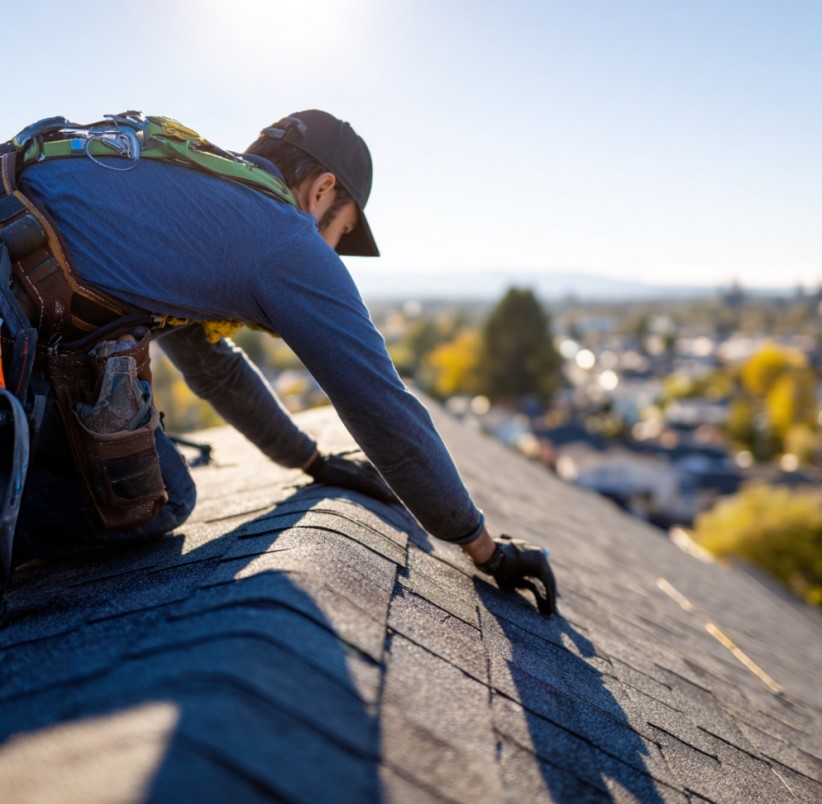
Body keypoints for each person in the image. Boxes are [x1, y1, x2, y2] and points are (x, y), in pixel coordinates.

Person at [1, 110, 556, 615]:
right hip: (13, 324)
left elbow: (213, 367)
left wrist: (311, 460)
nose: (330, 253)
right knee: (159, 498)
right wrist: (481, 546)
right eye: (338, 234)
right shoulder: (282, 236)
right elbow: (379, 403)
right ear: (322, 191)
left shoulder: (196, 187)